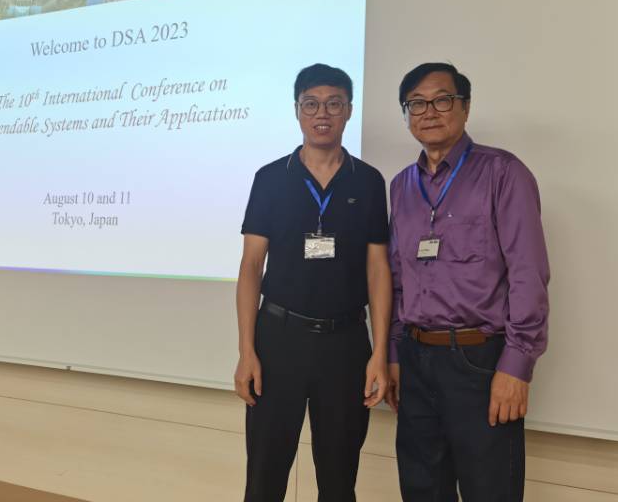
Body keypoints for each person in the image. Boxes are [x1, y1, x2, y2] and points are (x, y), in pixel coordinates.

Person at [386, 62, 550, 502]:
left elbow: (528, 273)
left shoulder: (503, 173)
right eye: (416, 103)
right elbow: (398, 281)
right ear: (406, 114)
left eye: (442, 100)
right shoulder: (401, 187)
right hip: (416, 359)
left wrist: (516, 366)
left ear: (465, 106)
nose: (429, 112)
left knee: (489, 490)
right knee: (422, 490)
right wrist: (395, 354)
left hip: (479, 361)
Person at [234, 63, 392, 502]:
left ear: (349, 110)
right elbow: (251, 267)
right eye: (311, 104)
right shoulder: (270, 178)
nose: (322, 113)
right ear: (297, 111)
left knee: (339, 480)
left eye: (333, 104)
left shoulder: (369, 181)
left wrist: (380, 353)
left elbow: (378, 269)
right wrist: (247, 351)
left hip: (345, 345)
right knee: (264, 477)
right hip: (278, 340)